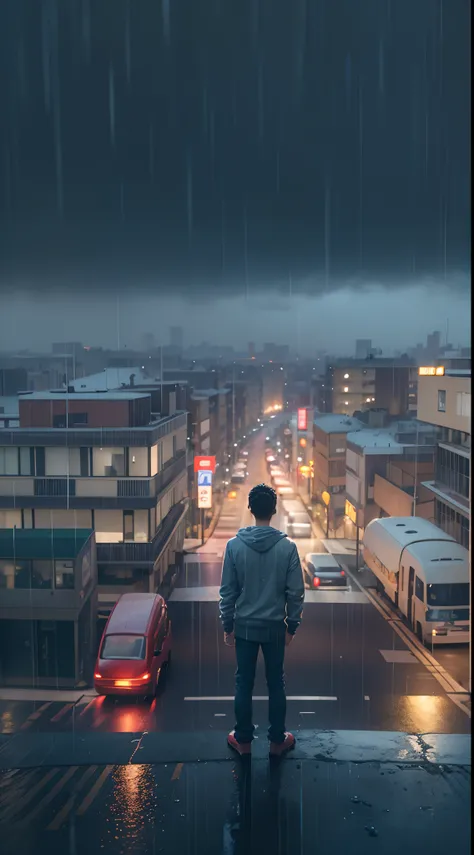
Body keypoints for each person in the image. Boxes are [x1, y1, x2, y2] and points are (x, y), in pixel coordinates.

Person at [219, 483, 305, 756]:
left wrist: (228, 624)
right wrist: (292, 625)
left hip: (244, 627)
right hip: (273, 629)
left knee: (243, 682)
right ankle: (277, 741)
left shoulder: (234, 546)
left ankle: (243, 741)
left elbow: (228, 590)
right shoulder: (287, 548)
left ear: (250, 509)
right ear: (274, 510)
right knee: (276, 683)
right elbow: (296, 592)